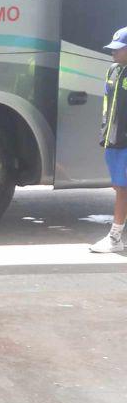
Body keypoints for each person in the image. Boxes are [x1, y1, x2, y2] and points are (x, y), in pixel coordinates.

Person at [89, 26, 127, 253]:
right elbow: (107, 105)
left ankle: (114, 237)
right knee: (118, 186)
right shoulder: (113, 71)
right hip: (112, 140)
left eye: (118, 49)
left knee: (123, 188)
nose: (113, 53)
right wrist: (105, 134)